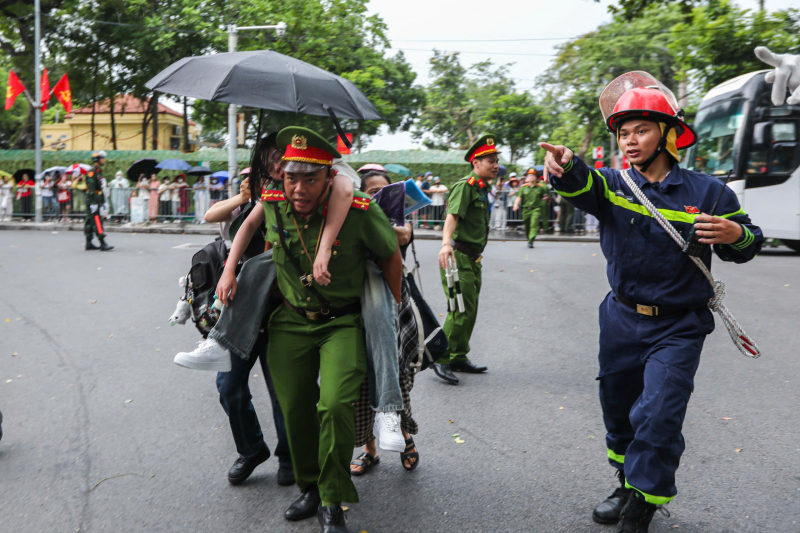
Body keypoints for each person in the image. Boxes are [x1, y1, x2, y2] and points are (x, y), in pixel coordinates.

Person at [541, 72, 764, 533]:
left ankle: (644, 502)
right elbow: (580, 185)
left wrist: (736, 233)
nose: (630, 141)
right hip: (621, 319)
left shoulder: (710, 193)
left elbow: (747, 245)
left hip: (679, 325)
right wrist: (566, 166)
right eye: (623, 133)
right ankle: (626, 482)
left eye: (641, 129)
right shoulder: (613, 186)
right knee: (619, 409)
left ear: (666, 133)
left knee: (659, 412)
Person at [350, 170, 420, 476]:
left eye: (382, 190)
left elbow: (403, 236)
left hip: (394, 301)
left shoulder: (398, 222)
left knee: (396, 372)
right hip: (357, 302)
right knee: (362, 381)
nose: (376, 195)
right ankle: (370, 450)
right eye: (371, 191)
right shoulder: (352, 217)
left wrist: (373, 226)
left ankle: (405, 437)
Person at [432, 134, 497, 385]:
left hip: (473, 258)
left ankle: (458, 355)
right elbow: (452, 217)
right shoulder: (466, 186)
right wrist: (445, 244)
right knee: (458, 308)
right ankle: (442, 357)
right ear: (475, 163)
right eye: (489, 160)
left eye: (495, 160)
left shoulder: (482, 188)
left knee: (469, 310)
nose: (494, 165)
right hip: (457, 255)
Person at [84, 151, 113, 251]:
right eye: (102, 158)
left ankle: (88, 243)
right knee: (97, 221)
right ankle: (102, 243)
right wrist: (94, 203)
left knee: (89, 221)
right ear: (97, 160)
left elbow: (98, 188)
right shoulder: (92, 172)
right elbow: (92, 189)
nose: (104, 160)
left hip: (95, 200)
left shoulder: (98, 171)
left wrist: (102, 201)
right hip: (92, 201)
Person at [513, 169, 548, 248]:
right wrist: (516, 205)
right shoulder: (523, 188)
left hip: (536, 209)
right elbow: (519, 197)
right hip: (525, 210)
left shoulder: (540, 187)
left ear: (536, 178)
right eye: (529, 176)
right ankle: (529, 238)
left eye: (533, 175)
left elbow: (546, 195)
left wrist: (546, 198)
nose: (531, 177)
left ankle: (531, 240)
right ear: (526, 178)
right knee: (527, 226)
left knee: (534, 224)